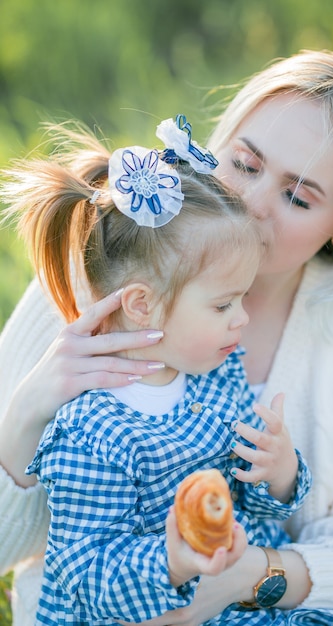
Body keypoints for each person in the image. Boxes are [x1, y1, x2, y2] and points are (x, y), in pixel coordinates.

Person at [0, 49, 333, 626]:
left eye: (297, 197)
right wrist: (24, 419)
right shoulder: (109, 273)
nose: (251, 204)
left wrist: (245, 579)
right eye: (245, 164)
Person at [1, 117, 313, 625]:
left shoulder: (218, 374)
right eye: (222, 305)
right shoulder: (92, 430)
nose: (242, 318)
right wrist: (172, 561)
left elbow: (250, 507)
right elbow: (84, 576)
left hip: (238, 605)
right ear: (142, 306)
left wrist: (279, 475)